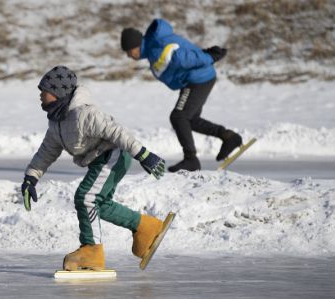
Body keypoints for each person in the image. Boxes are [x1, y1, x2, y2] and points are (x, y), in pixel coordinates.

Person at [22, 65, 167, 271]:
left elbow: (117, 132)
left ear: (57, 92)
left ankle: (92, 251)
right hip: (100, 159)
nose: (40, 95)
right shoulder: (56, 123)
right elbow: (46, 152)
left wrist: (143, 154)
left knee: (86, 197)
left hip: (114, 154)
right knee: (99, 203)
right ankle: (146, 227)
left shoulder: (85, 113)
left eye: (43, 90)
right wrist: (31, 178)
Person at [120, 19, 243, 172]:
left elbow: (183, 58)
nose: (128, 55)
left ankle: (191, 159)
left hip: (198, 79)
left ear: (136, 45)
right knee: (190, 119)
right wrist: (205, 55)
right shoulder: (153, 48)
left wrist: (209, 57)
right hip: (196, 79)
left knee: (179, 116)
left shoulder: (155, 48)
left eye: (128, 51)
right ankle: (229, 137)